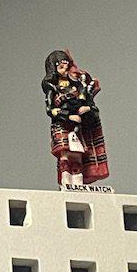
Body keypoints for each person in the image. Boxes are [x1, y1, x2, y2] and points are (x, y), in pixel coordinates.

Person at [41, 50, 109, 187]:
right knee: (65, 155)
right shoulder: (52, 88)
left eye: (66, 67)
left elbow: (90, 105)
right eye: (61, 67)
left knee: (77, 155)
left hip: (77, 127)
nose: (65, 70)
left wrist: (87, 108)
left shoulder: (77, 86)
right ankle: (66, 181)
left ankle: (78, 182)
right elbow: (51, 110)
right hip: (63, 125)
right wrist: (68, 116)